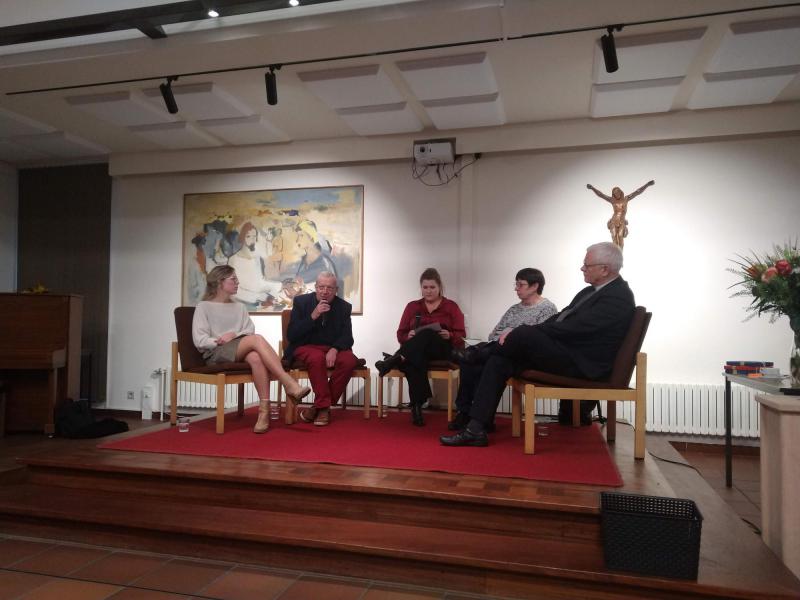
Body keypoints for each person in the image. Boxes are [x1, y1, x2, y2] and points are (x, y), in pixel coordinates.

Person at [440, 242, 634, 447]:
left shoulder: (618, 297)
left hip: (583, 363)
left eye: (587, 265)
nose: (582, 268)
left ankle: (476, 353)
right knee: (499, 361)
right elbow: (560, 319)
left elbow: (575, 328)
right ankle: (476, 428)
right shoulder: (589, 292)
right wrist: (527, 332)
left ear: (604, 269)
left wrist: (527, 332)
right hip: (568, 354)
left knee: (523, 332)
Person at [192, 265, 311, 434]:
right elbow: (200, 340)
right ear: (219, 282)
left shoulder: (239, 307)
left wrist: (233, 335)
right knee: (257, 340)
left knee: (255, 357)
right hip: (216, 352)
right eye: (233, 279)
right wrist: (219, 340)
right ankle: (288, 382)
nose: (237, 282)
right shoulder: (203, 307)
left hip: (238, 347)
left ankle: (264, 413)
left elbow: (248, 330)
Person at [447, 268, 557, 432]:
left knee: (478, 359)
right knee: (471, 364)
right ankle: (466, 412)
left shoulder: (547, 309)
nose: (516, 288)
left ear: (535, 286)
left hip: (523, 356)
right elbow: (494, 332)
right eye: (516, 284)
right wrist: (503, 335)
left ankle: (478, 417)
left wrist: (511, 333)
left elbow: (539, 338)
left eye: (521, 284)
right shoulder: (514, 309)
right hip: (499, 348)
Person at [375, 268, 466, 426]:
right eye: (425, 287)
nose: (429, 291)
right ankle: (417, 407)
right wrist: (407, 336)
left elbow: (461, 335)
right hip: (418, 351)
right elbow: (400, 334)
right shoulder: (412, 307)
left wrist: (449, 335)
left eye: (432, 287)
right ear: (421, 287)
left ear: (439, 287)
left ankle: (394, 360)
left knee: (427, 334)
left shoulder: (451, 306)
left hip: (443, 349)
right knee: (413, 359)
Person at [284, 271, 359, 427]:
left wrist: (335, 349)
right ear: (315, 287)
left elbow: (348, 337)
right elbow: (292, 335)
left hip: (331, 348)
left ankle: (318, 406)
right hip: (305, 347)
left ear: (336, 290)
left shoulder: (344, 307)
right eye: (321, 287)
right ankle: (324, 408)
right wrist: (313, 315)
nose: (325, 291)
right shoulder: (301, 302)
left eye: (330, 288)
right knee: (316, 357)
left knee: (350, 360)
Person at [586, 180, 654, 248]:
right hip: (614, 220)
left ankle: (620, 254)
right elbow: (601, 195)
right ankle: (616, 255)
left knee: (620, 237)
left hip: (622, 221)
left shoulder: (626, 199)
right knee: (614, 238)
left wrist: (647, 184)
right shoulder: (612, 200)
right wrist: (592, 188)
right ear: (613, 194)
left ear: (620, 192)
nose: (616, 194)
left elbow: (637, 192)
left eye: (617, 192)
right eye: (614, 193)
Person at [228, 222, 280, 307]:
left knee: (279, 289)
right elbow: (233, 289)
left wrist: (269, 241)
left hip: (259, 294)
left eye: (254, 236)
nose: (252, 240)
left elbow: (259, 282)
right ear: (242, 237)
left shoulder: (256, 256)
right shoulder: (234, 259)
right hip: (243, 298)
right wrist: (260, 297)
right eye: (248, 236)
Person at [294, 219, 339, 290]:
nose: (297, 240)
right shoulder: (303, 261)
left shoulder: (325, 263)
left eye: (301, 235)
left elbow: (332, 290)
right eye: (297, 236)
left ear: (311, 237)